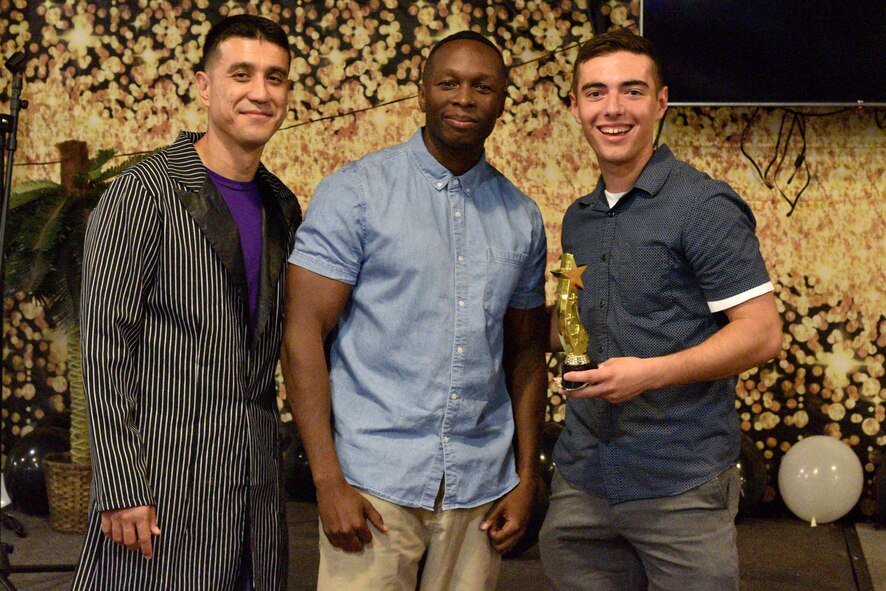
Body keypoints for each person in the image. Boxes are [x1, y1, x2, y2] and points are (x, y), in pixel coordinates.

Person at [282, 31, 548, 591]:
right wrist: (327, 480)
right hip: (373, 480)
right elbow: (302, 331)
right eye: (448, 83)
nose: (464, 98)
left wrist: (526, 479)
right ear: (421, 93)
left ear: (502, 98)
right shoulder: (356, 193)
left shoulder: (521, 217)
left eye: (483, 86)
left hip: (481, 487)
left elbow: (525, 352)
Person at [538, 29, 782, 591]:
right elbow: (578, 323)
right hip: (582, 482)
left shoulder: (703, 206)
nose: (613, 108)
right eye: (595, 93)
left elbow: (762, 334)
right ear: (575, 106)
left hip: (681, 488)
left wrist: (648, 374)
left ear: (661, 101)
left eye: (632, 91)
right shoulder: (580, 217)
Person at [71, 15, 300, 591]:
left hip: (254, 491)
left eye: (275, 78)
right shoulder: (144, 191)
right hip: (162, 487)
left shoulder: (282, 204)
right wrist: (122, 486)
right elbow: (103, 344)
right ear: (203, 85)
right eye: (241, 74)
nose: (260, 92)